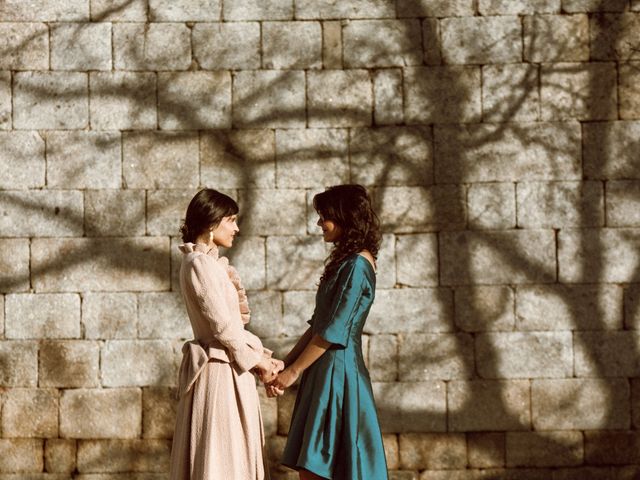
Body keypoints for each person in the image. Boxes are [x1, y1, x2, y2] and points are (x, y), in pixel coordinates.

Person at [269, 184, 388, 480]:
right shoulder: (345, 263)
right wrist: (286, 362)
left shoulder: (357, 266)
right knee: (313, 469)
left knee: (321, 469)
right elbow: (318, 324)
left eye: (325, 216)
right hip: (324, 372)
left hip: (339, 375)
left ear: (346, 217)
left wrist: (293, 372)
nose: (319, 223)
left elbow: (334, 331)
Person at [170, 188, 283, 480]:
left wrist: (265, 360)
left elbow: (231, 327)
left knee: (233, 458)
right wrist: (259, 362)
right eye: (231, 220)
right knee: (222, 459)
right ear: (211, 223)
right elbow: (222, 327)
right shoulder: (198, 264)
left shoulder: (210, 264)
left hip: (231, 369)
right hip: (219, 374)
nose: (236, 227)